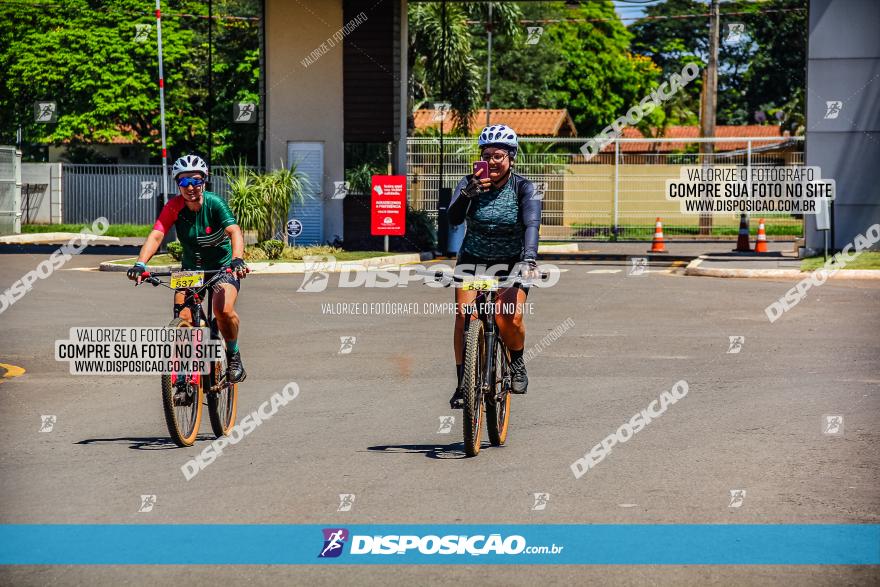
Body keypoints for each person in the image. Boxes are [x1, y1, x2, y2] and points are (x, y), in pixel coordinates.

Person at [127, 154, 249, 383]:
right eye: (184, 182)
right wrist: (140, 264)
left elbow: (234, 231)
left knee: (222, 310)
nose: (190, 187)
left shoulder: (214, 203)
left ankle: (233, 354)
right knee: (183, 316)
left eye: (196, 180)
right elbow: (157, 235)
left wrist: (237, 259)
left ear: (204, 181)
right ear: (177, 184)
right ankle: (184, 371)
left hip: (222, 268)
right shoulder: (173, 207)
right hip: (191, 269)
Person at [447, 124, 542, 409]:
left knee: (508, 318)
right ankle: (464, 385)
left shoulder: (525, 188)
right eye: (486, 155)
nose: (491, 162)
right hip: (473, 262)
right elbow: (452, 220)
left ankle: (517, 362)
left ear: (511, 158)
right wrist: (467, 195)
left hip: (513, 263)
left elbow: (531, 224)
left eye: (498, 156)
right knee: (465, 318)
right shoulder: (469, 183)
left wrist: (529, 259)